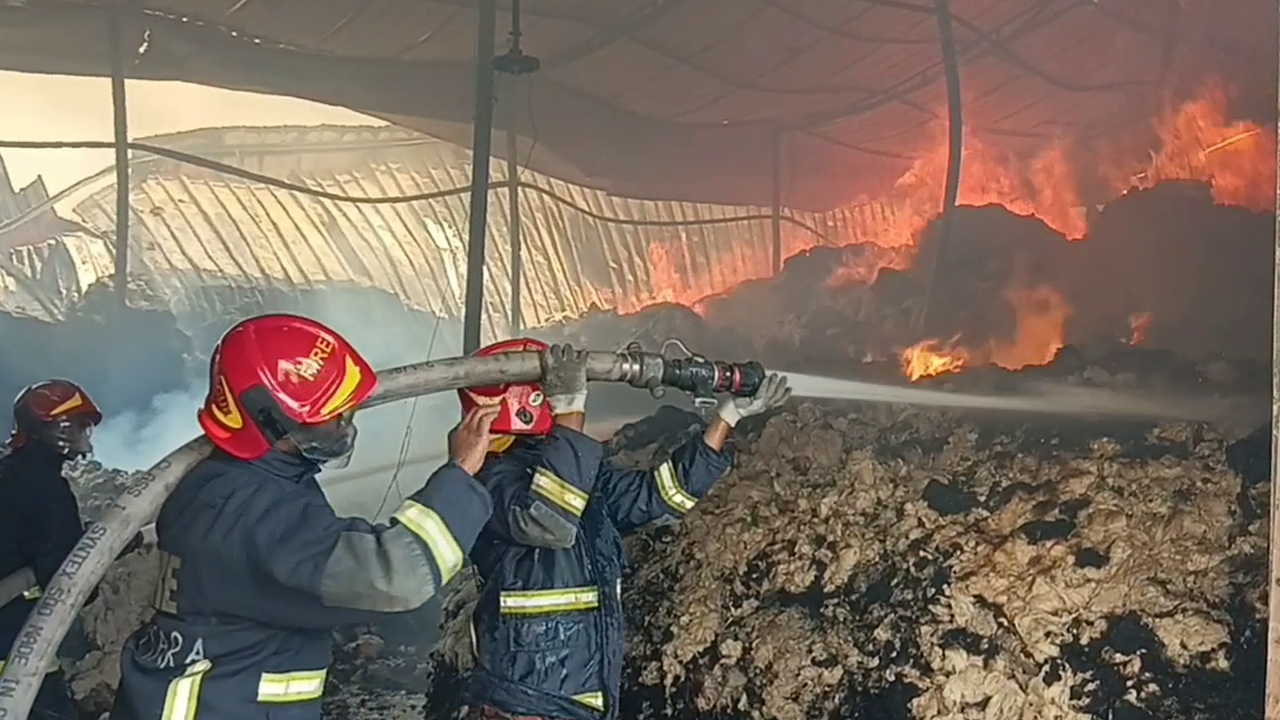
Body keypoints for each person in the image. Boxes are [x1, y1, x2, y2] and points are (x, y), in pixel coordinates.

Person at [109, 313, 498, 720]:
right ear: (272, 420)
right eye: (331, 414)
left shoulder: (230, 484)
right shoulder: (249, 516)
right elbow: (395, 574)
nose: (344, 423)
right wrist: (460, 474)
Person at [458, 338, 791, 720]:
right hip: (523, 706)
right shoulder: (486, 481)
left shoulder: (583, 474)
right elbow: (548, 520)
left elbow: (664, 495)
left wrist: (727, 417)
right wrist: (569, 411)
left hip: (583, 700)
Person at [0, 379, 106, 720]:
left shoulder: (10, 473)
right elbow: (66, 578)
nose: (84, 436)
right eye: (79, 426)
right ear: (55, 429)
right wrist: (95, 550)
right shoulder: (46, 489)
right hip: (15, 649)